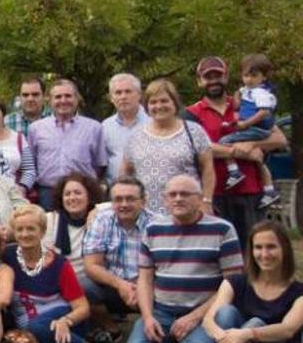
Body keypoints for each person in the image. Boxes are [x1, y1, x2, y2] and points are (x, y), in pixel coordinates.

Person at [122, 174, 244, 343]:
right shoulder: (153, 230)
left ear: (199, 198)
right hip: (162, 312)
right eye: (172, 194)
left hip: (204, 316)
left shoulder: (223, 230)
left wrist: (194, 317)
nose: (178, 199)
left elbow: (233, 284)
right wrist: (148, 316)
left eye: (185, 194)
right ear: (165, 200)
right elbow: (145, 280)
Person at [174, 221, 302, 343]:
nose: (264, 254)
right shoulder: (235, 282)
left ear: (284, 249)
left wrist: (247, 334)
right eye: (258, 247)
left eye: (271, 247)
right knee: (225, 313)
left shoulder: (298, 292)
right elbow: (209, 320)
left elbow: (287, 329)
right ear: (251, 251)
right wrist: (225, 338)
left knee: (257, 324)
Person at [186, 56, 288, 246]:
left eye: (218, 75)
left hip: (251, 192)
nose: (214, 81)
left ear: (226, 78)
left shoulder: (248, 104)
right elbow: (196, 147)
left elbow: (279, 138)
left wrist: (253, 145)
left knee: (252, 254)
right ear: (200, 81)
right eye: (208, 77)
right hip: (213, 194)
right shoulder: (191, 113)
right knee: (218, 255)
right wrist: (236, 152)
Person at [5, 205, 121, 343]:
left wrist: (65, 320)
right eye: (20, 229)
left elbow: (83, 308)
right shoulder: (7, 257)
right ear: (14, 233)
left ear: (43, 231)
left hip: (66, 323)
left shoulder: (59, 264)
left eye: (31, 229)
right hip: (30, 330)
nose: (25, 234)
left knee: (35, 327)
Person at [121, 79, 214, 214]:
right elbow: (125, 172)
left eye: (164, 101)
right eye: (153, 102)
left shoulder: (194, 131)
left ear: (174, 103)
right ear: (146, 106)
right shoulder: (135, 136)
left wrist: (206, 201)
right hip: (146, 214)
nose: (159, 106)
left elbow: (208, 169)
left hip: (186, 211)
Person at [28, 78, 108, 209]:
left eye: (68, 96)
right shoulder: (36, 129)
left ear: (77, 99)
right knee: (50, 229)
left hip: (83, 192)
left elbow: (100, 165)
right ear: (50, 101)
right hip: (48, 193)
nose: (63, 100)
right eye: (58, 97)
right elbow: (32, 163)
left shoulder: (94, 128)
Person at [82, 176, 153, 316]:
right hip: (112, 285)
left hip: (148, 287)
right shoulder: (102, 220)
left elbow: (164, 269)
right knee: (81, 286)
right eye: (118, 199)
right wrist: (121, 285)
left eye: (130, 199)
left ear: (143, 202)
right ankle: (105, 323)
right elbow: (91, 266)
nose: (124, 204)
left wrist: (141, 290)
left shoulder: (157, 225)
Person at [219, 54, 280, 207]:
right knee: (258, 160)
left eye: (254, 75)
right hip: (253, 128)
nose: (249, 79)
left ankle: (234, 171)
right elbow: (237, 106)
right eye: (246, 75)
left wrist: (245, 124)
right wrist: (237, 96)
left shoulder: (261, 93)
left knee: (223, 142)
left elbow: (264, 112)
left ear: (263, 77)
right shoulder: (247, 91)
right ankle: (270, 189)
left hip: (257, 129)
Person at [42, 173, 103, 295]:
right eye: (67, 194)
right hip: (57, 279)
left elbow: (117, 206)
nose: (72, 198)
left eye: (77, 193)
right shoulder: (50, 219)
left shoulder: (99, 217)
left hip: (87, 281)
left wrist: (98, 208)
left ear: (89, 196)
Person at [102, 73, 149, 185]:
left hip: (149, 189)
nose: (123, 97)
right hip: (116, 191)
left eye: (128, 91)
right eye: (118, 93)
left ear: (139, 95)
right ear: (111, 98)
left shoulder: (153, 122)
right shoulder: (105, 126)